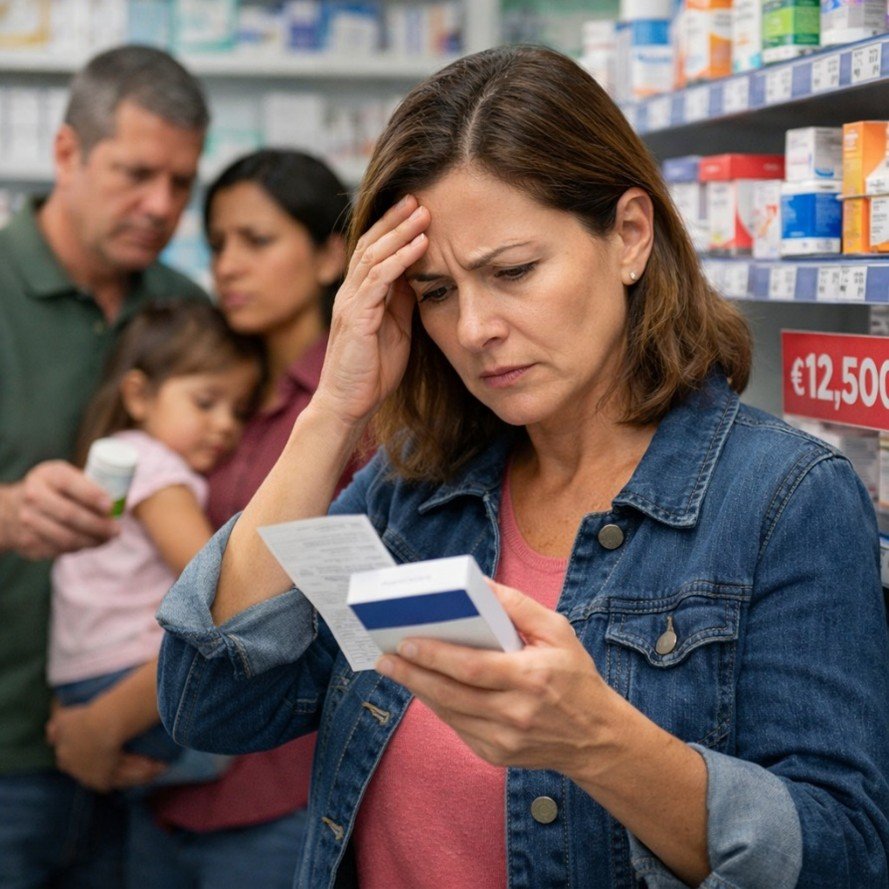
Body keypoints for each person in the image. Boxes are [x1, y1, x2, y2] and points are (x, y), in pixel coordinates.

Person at [156, 45, 889, 889]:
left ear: (628, 236)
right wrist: (332, 412)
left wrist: (599, 741)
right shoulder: (413, 492)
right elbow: (210, 702)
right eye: (434, 291)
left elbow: (843, 855)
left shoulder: (779, 501)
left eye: (512, 272)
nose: (473, 328)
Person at [0, 44, 208, 887]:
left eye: (182, 183)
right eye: (135, 173)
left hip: (151, 753)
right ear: (65, 153)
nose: (159, 205)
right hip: (8, 755)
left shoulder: (184, 313)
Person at [124, 149, 358, 889]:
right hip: (164, 788)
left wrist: (107, 716)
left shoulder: (355, 408)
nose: (228, 265)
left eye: (256, 241)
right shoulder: (216, 396)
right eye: (218, 243)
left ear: (331, 254)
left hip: (279, 795)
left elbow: (333, 609)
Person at [47, 301, 262, 792]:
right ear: (139, 395)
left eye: (238, 410)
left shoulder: (117, 461)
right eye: (206, 402)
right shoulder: (157, 471)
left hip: (80, 681)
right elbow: (210, 581)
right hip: (129, 681)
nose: (226, 425)